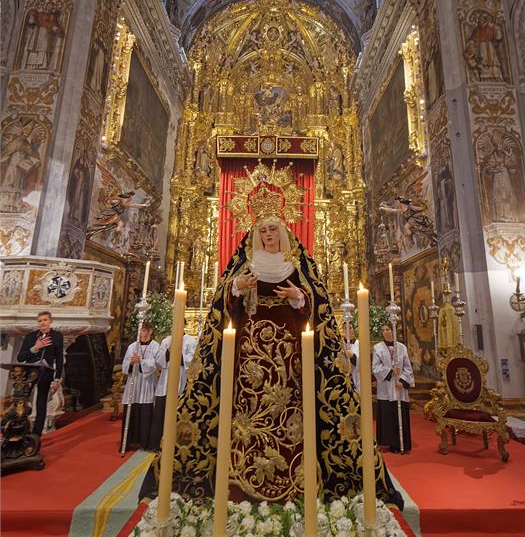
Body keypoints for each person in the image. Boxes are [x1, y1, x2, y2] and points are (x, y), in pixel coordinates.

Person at [147, 166, 403, 509]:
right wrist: (237, 287)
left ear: (282, 230)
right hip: (249, 351)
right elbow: (224, 302)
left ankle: (296, 472)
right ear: (257, 232)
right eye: (263, 229)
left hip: (292, 350)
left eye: (273, 229)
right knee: (249, 408)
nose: (268, 234)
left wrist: (297, 296)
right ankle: (240, 471)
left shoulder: (297, 262)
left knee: (291, 407)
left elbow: (316, 303)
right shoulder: (246, 260)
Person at [148, 333, 198, 452]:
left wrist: (178, 354)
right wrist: (168, 352)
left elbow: (192, 359)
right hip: (164, 383)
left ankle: (176, 443)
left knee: (177, 414)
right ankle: (156, 444)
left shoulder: (190, 341)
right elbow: (159, 360)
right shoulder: (166, 340)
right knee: (160, 414)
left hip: (180, 381)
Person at [17, 311, 64, 438]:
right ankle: (20, 429)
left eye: (45, 320)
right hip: (30, 373)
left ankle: (36, 435)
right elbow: (20, 358)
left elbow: (59, 359)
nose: (42, 323)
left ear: (50, 321)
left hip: (46, 374)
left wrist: (57, 379)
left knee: (41, 404)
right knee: (22, 401)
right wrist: (35, 348)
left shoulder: (57, 336)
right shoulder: (30, 337)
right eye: (40, 321)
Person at [373, 324, 414, 454]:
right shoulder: (377, 348)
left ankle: (401, 443)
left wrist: (402, 381)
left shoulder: (402, 348)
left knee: (399, 415)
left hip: (399, 388)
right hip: (385, 387)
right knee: (387, 414)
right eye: (383, 330)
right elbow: (375, 368)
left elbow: (407, 366)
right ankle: (388, 442)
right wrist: (390, 373)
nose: (385, 332)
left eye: (388, 329)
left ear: (393, 330)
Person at [121, 322, 159, 451]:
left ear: (151, 331)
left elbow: (154, 364)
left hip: (147, 383)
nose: (145, 333)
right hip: (134, 382)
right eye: (143, 330)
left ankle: (145, 443)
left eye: (147, 330)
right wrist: (131, 363)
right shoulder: (133, 346)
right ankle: (128, 442)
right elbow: (125, 365)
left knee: (145, 414)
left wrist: (141, 361)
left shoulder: (155, 346)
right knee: (131, 412)